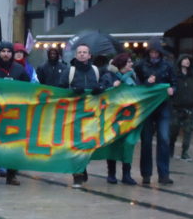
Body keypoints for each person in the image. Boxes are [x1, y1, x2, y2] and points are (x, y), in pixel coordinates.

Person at [59, 43, 104, 188]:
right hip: (73, 114)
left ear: (90, 55)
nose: (82, 54)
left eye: (85, 52)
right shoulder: (69, 71)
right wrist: (72, 91)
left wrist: (100, 89)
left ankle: (82, 166)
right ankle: (77, 174)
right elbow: (59, 89)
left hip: (91, 114)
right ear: (76, 55)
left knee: (88, 144)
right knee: (76, 144)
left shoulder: (96, 71)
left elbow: (104, 87)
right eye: (80, 52)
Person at [0, 41, 31, 185]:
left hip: (14, 113)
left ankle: (11, 174)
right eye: (3, 51)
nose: (6, 54)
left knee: (13, 144)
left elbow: (28, 89)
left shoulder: (19, 70)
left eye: (9, 51)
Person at [134, 38, 175, 185]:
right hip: (147, 108)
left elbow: (174, 83)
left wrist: (172, 89)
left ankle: (164, 174)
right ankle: (146, 174)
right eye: (151, 51)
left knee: (164, 140)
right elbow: (136, 86)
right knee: (146, 141)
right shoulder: (140, 66)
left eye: (156, 52)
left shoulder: (168, 66)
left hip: (163, 106)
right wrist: (146, 83)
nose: (154, 54)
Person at [100, 53, 138, 185]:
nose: (131, 64)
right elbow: (102, 94)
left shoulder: (133, 76)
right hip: (113, 117)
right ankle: (111, 174)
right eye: (129, 62)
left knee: (128, 144)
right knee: (113, 144)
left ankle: (126, 174)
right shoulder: (108, 76)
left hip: (129, 117)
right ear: (122, 64)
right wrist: (112, 87)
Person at [170, 54, 193, 162]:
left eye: (188, 60)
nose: (187, 61)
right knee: (173, 131)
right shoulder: (175, 75)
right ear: (180, 61)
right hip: (176, 108)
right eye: (185, 59)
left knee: (188, 131)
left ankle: (185, 152)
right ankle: (170, 151)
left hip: (190, 108)